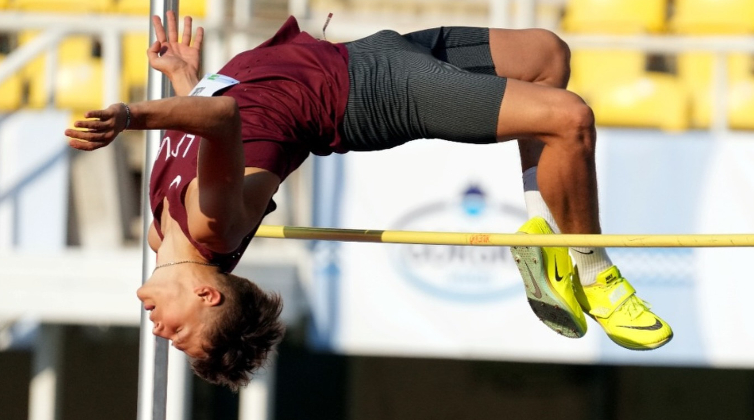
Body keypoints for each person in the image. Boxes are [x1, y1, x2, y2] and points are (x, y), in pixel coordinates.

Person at [65, 11, 672, 390]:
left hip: (359, 55)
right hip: (365, 94)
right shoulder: (212, 225)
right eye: (179, 334)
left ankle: (543, 236)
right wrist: (130, 115)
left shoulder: (161, 229)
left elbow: (213, 116)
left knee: (546, 56)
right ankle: (592, 270)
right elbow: (222, 119)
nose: (160, 331)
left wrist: (184, 78)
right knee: (569, 119)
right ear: (208, 295)